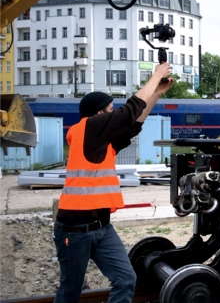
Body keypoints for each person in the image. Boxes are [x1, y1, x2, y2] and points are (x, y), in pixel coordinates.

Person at [53, 63, 173, 303]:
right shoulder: (88, 128)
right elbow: (129, 111)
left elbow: (133, 123)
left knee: (126, 278)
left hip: (101, 227)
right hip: (75, 230)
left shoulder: (102, 140)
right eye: (110, 109)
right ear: (99, 114)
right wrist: (156, 75)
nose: (113, 113)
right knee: (70, 291)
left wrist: (156, 94)